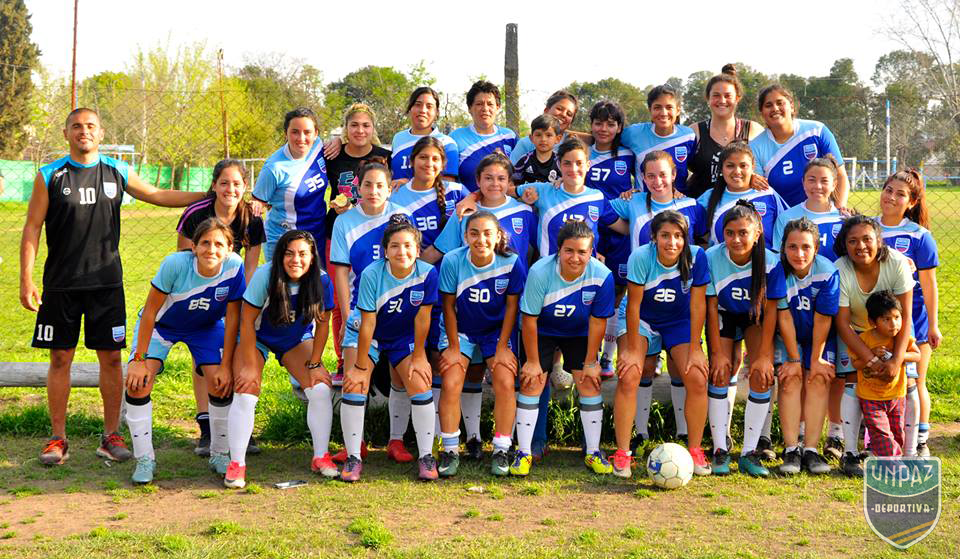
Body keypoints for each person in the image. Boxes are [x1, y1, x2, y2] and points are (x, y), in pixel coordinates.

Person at [20, 107, 204, 466]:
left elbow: (156, 194)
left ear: (101, 133)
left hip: (106, 283)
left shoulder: (116, 170)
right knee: (60, 358)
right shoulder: (50, 175)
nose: (83, 131)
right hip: (61, 284)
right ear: (66, 133)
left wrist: (206, 194)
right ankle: (57, 438)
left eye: (90, 126)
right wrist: (26, 279)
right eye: (76, 126)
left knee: (111, 358)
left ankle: (110, 436)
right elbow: (31, 228)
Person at [124, 219, 245, 483]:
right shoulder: (175, 264)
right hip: (162, 326)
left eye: (218, 244)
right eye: (205, 243)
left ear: (229, 248)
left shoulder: (235, 266)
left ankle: (220, 454)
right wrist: (138, 359)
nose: (211, 250)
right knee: (138, 383)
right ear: (193, 246)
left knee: (220, 382)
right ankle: (145, 459)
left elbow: (233, 319)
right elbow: (150, 312)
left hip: (205, 327)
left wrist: (226, 365)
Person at [226, 230, 335, 489]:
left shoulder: (321, 280)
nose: (295, 259)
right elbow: (247, 320)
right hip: (258, 337)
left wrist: (315, 362)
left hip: (293, 340)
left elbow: (323, 324)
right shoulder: (266, 275)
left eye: (302, 254)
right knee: (246, 390)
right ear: (280, 256)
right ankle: (237, 464)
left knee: (320, 389)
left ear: (311, 257)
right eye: (289, 253)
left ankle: (320, 456)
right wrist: (251, 366)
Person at [340, 216, 440, 482]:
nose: (402, 251)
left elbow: (422, 317)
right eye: (395, 246)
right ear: (385, 250)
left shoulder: (428, 273)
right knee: (355, 384)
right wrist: (361, 366)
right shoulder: (372, 273)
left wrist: (419, 356)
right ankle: (353, 457)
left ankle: (425, 456)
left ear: (418, 250)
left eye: (408, 246)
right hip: (365, 332)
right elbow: (368, 321)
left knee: (419, 382)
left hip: (402, 335)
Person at [176, 159, 265, 456]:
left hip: (234, 291)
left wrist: (242, 309)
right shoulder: (195, 215)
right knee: (205, 356)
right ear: (213, 185)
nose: (230, 189)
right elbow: (184, 262)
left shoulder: (251, 218)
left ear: (245, 188)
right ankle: (207, 427)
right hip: (197, 290)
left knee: (240, 352)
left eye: (237, 183)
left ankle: (239, 426)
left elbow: (250, 269)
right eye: (224, 183)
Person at [613, 211, 711, 478]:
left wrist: (694, 349)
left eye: (678, 236)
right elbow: (633, 305)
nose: (672, 242)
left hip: (678, 320)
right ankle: (622, 453)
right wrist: (632, 349)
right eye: (665, 236)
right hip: (641, 318)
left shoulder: (696, 257)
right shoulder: (641, 257)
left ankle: (694, 450)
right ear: (654, 238)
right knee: (629, 374)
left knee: (698, 378)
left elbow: (697, 304)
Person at [514, 220, 616, 476]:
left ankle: (593, 451)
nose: (575, 257)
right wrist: (534, 362)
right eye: (569, 251)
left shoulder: (602, 275)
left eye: (582, 251)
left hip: (579, 332)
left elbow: (598, 321)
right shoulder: (540, 272)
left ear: (591, 252)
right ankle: (524, 452)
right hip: (543, 331)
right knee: (532, 380)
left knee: (589, 382)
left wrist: (592, 362)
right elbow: (529, 319)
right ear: (558, 250)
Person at [331, 158, 412, 462]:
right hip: (361, 311)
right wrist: (347, 314)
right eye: (368, 185)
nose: (373, 191)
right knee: (355, 375)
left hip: (398, 309)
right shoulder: (345, 221)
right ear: (358, 188)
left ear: (389, 188)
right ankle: (356, 445)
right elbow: (340, 272)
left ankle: (396, 440)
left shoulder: (401, 217)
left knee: (400, 377)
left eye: (380, 185)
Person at [436, 211, 526, 476]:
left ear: (497, 236)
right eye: (474, 233)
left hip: (495, 332)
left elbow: (512, 308)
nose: (481, 239)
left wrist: (502, 349)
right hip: (460, 330)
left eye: (487, 233)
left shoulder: (511, 262)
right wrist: (453, 346)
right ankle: (450, 448)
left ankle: (501, 447)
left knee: (505, 381)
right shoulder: (453, 260)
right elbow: (448, 306)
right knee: (451, 381)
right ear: (465, 236)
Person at [704, 200, 785, 477]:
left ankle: (750, 452)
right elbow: (711, 307)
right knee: (720, 371)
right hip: (724, 315)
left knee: (762, 375)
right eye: (730, 233)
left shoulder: (771, 262)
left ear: (757, 233)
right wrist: (716, 353)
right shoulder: (712, 257)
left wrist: (763, 356)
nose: (736, 239)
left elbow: (771, 310)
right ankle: (719, 449)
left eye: (743, 233)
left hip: (756, 317)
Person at [833, 215, 915, 476]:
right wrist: (870, 360)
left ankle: (909, 453)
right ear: (845, 245)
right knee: (852, 380)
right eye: (853, 241)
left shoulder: (897, 263)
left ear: (878, 241)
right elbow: (843, 324)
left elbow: (906, 317)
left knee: (909, 380)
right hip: (855, 332)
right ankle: (849, 452)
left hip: (892, 330)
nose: (861, 246)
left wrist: (895, 360)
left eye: (867, 239)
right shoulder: (841, 268)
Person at [323, 104, 392, 372]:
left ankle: (381, 356)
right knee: (341, 301)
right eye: (354, 125)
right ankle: (344, 360)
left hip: (375, 232)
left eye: (365, 125)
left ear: (373, 129)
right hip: (339, 231)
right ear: (345, 129)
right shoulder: (332, 156)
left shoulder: (385, 156)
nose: (360, 130)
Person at [877, 169, 940, 457]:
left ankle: (921, 440)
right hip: (876, 321)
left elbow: (928, 284)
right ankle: (879, 437)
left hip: (913, 319)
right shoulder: (868, 228)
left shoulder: (919, 236)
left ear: (912, 202)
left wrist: (933, 326)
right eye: (889, 190)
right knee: (879, 376)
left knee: (915, 379)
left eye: (900, 194)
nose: (891, 197)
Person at [774, 218, 840, 475]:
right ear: (783, 247)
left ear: (816, 248)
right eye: (792, 247)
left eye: (806, 247)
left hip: (819, 338)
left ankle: (811, 449)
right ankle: (791, 448)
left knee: (818, 378)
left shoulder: (826, 271)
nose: (799, 254)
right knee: (790, 378)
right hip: (788, 334)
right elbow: (784, 316)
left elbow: (824, 319)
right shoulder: (777, 270)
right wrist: (793, 358)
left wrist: (816, 359)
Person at [586, 101, 635, 378]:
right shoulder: (582, 154)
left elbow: (642, 183)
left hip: (618, 232)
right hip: (589, 232)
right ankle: (588, 352)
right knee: (589, 292)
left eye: (610, 123)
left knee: (617, 292)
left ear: (619, 128)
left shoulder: (629, 154)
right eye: (598, 122)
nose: (604, 128)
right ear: (591, 124)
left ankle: (607, 356)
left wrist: (633, 190)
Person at [515, 138, 619, 257]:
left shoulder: (597, 197)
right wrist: (523, 199)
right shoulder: (543, 190)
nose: (573, 169)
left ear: (588, 165)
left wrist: (635, 195)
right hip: (550, 271)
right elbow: (505, 190)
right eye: (567, 163)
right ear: (559, 165)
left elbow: (624, 228)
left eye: (579, 163)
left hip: (586, 272)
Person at [750, 84, 849, 208]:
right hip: (784, 220)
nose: (775, 108)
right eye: (768, 105)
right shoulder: (755, 147)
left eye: (780, 103)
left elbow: (840, 175)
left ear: (791, 106)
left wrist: (839, 211)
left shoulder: (817, 131)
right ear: (762, 112)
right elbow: (760, 192)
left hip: (822, 214)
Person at [252, 108, 330, 262]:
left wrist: (338, 141)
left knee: (318, 285)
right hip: (285, 240)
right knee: (285, 286)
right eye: (295, 132)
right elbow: (257, 204)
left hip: (317, 235)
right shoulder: (274, 168)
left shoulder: (318, 147)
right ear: (285, 133)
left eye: (307, 132)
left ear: (316, 133)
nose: (301, 138)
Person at [433, 153, 536, 265]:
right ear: (478, 181)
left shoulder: (524, 211)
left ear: (509, 182)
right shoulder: (463, 212)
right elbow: (440, 250)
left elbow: (543, 247)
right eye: (488, 178)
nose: (495, 184)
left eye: (501, 178)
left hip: (515, 281)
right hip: (471, 281)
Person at [852, 291, 921, 457]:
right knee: (881, 432)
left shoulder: (903, 339)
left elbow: (917, 355)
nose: (894, 324)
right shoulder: (865, 339)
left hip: (897, 395)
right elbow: (856, 363)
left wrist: (899, 356)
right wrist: (870, 354)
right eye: (886, 319)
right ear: (872, 321)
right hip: (871, 397)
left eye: (897, 318)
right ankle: (894, 464)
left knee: (897, 432)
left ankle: (885, 459)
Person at [687, 64, 764, 199]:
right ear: (708, 98)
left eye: (728, 95)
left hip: (743, 210)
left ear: (737, 98)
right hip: (702, 211)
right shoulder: (694, 132)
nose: (722, 101)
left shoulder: (754, 130)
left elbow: (767, 170)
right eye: (716, 95)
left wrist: (752, 176)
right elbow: (678, 169)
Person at [699, 141, 788, 249]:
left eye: (743, 165)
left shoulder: (767, 193)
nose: (737, 171)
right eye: (730, 166)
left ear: (753, 166)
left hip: (766, 263)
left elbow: (788, 227)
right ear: (721, 168)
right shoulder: (708, 197)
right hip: (722, 264)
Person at [621, 84, 697, 194]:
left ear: (678, 110)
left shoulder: (688, 136)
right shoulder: (633, 133)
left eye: (669, 107)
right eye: (657, 107)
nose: (663, 113)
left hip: (679, 205)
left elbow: (694, 169)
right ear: (650, 110)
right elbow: (604, 137)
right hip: (645, 205)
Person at [773, 156, 846, 262]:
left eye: (824, 181)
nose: (818, 186)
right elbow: (779, 259)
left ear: (834, 184)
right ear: (803, 182)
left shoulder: (843, 219)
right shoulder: (787, 218)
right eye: (812, 180)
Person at [450, 80, 517, 192]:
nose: (485, 109)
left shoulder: (509, 136)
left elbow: (519, 175)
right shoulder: (455, 138)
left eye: (490, 104)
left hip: (505, 205)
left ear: (498, 107)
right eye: (479, 104)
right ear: (470, 108)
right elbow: (449, 181)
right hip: (470, 205)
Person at [390, 87, 458, 182]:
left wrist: (409, 185)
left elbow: (448, 184)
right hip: (397, 196)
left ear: (436, 113)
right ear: (410, 108)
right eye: (418, 105)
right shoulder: (398, 138)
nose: (423, 110)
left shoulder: (447, 143)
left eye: (429, 106)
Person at [509, 91, 580, 164]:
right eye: (559, 109)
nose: (564, 115)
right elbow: (511, 172)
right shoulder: (526, 144)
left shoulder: (573, 145)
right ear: (546, 111)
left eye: (569, 114)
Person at [511, 114, 562, 185]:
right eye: (538, 135)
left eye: (548, 135)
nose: (543, 139)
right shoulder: (525, 160)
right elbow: (513, 182)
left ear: (557, 139)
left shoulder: (560, 162)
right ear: (531, 138)